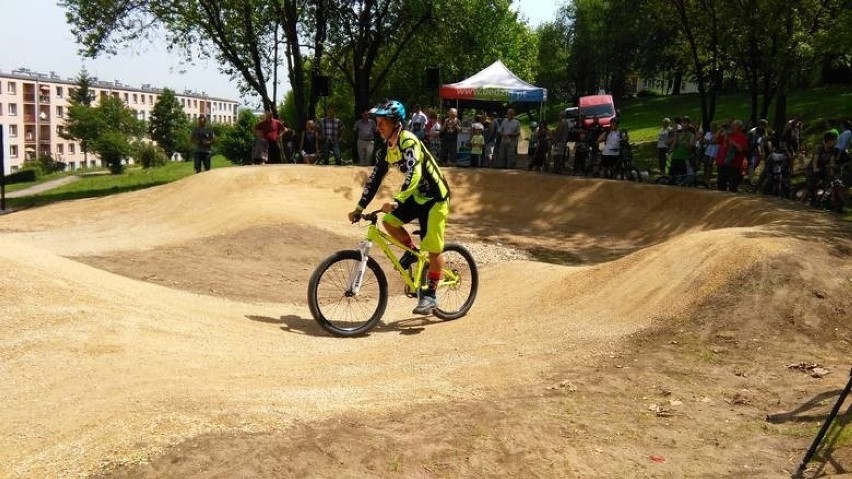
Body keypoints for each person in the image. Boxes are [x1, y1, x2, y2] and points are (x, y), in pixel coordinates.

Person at [347, 100, 451, 315]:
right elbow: (375, 179)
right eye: (378, 122)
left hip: (435, 198)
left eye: (382, 122)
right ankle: (412, 253)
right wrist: (359, 207)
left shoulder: (409, 141)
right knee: (389, 222)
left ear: (396, 123)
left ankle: (431, 295)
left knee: (433, 247)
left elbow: (415, 173)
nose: (378, 127)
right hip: (416, 196)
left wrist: (398, 200)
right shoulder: (386, 148)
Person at [805, 130, 838, 206]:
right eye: (834, 140)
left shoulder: (833, 150)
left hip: (823, 169)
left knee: (826, 185)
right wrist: (815, 169)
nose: (835, 141)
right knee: (809, 188)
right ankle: (799, 203)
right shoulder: (820, 148)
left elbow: (832, 162)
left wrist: (831, 172)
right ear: (829, 140)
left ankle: (820, 202)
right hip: (812, 170)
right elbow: (815, 161)